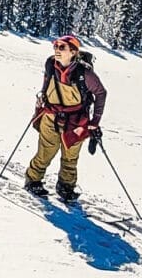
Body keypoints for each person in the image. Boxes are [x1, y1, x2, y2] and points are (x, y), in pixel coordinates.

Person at [24, 34, 106, 203]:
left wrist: (95, 121)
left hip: (76, 121)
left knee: (70, 157)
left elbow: (101, 93)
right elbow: (47, 85)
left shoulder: (85, 74)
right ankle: (33, 180)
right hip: (51, 116)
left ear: (74, 51)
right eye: (56, 46)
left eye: (62, 47)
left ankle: (66, 187)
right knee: (45, 152)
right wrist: (42, 98)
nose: (57, 50)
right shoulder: (50, 65)